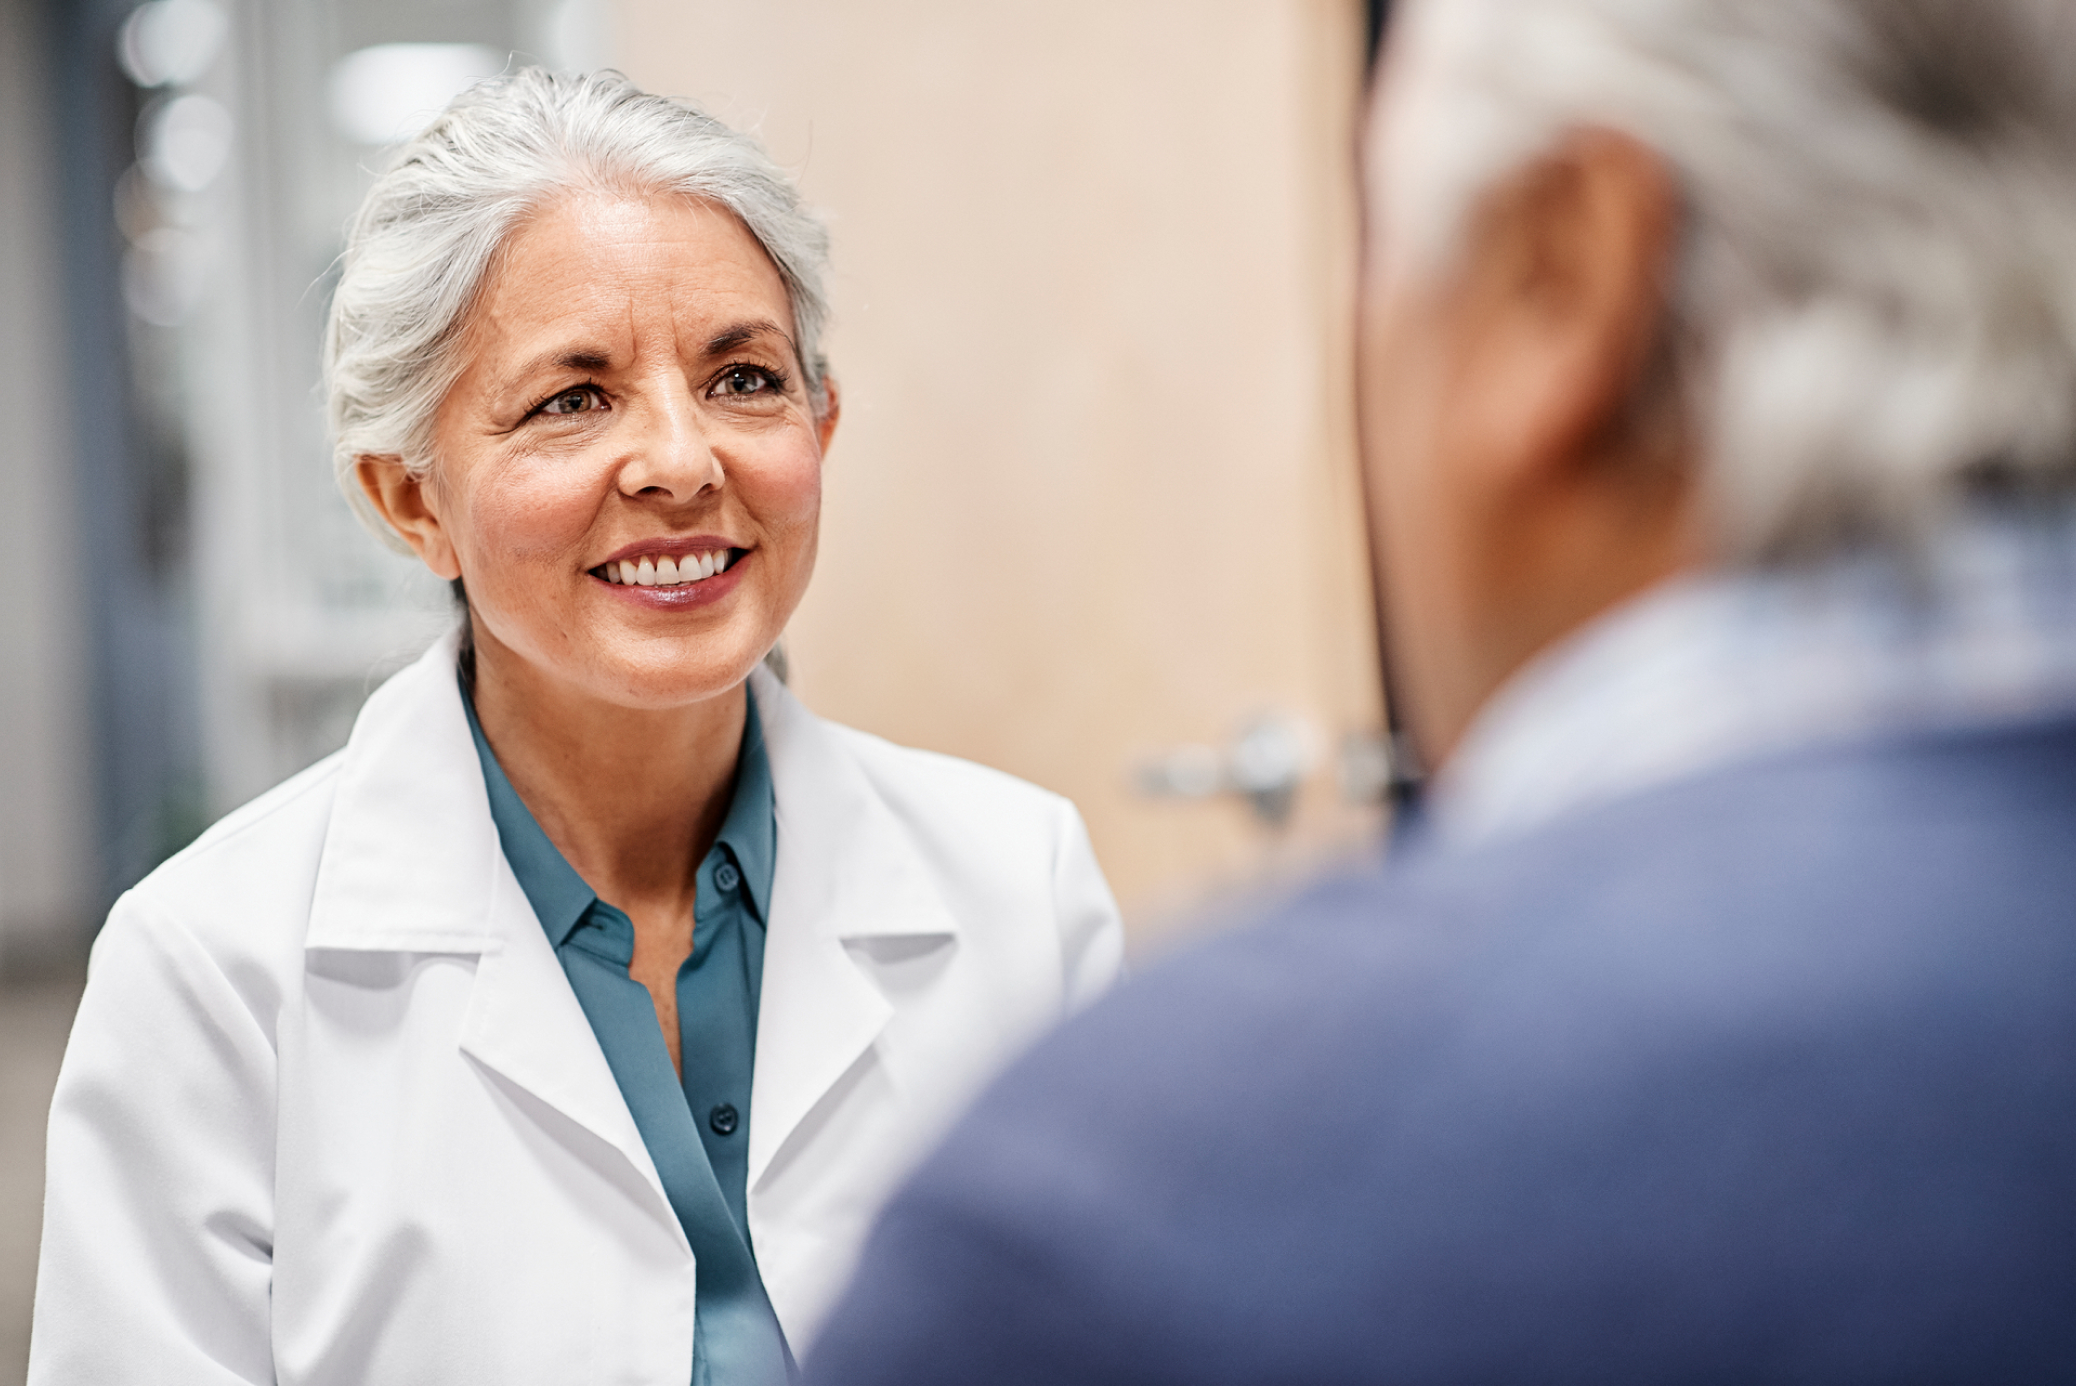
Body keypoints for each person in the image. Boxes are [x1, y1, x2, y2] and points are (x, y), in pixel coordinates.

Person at [803, 0, 2076, 1381]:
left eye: (1379, 261)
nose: (674, 459)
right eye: (573, 395)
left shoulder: (1146, 1211)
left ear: (1562, 272)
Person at [29, 69, 1123, 1385]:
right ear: (408, 498)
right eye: (573, 397)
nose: (680, 460)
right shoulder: (212, 972)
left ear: (819, 426)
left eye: (744, 376)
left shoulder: (1021, 886)